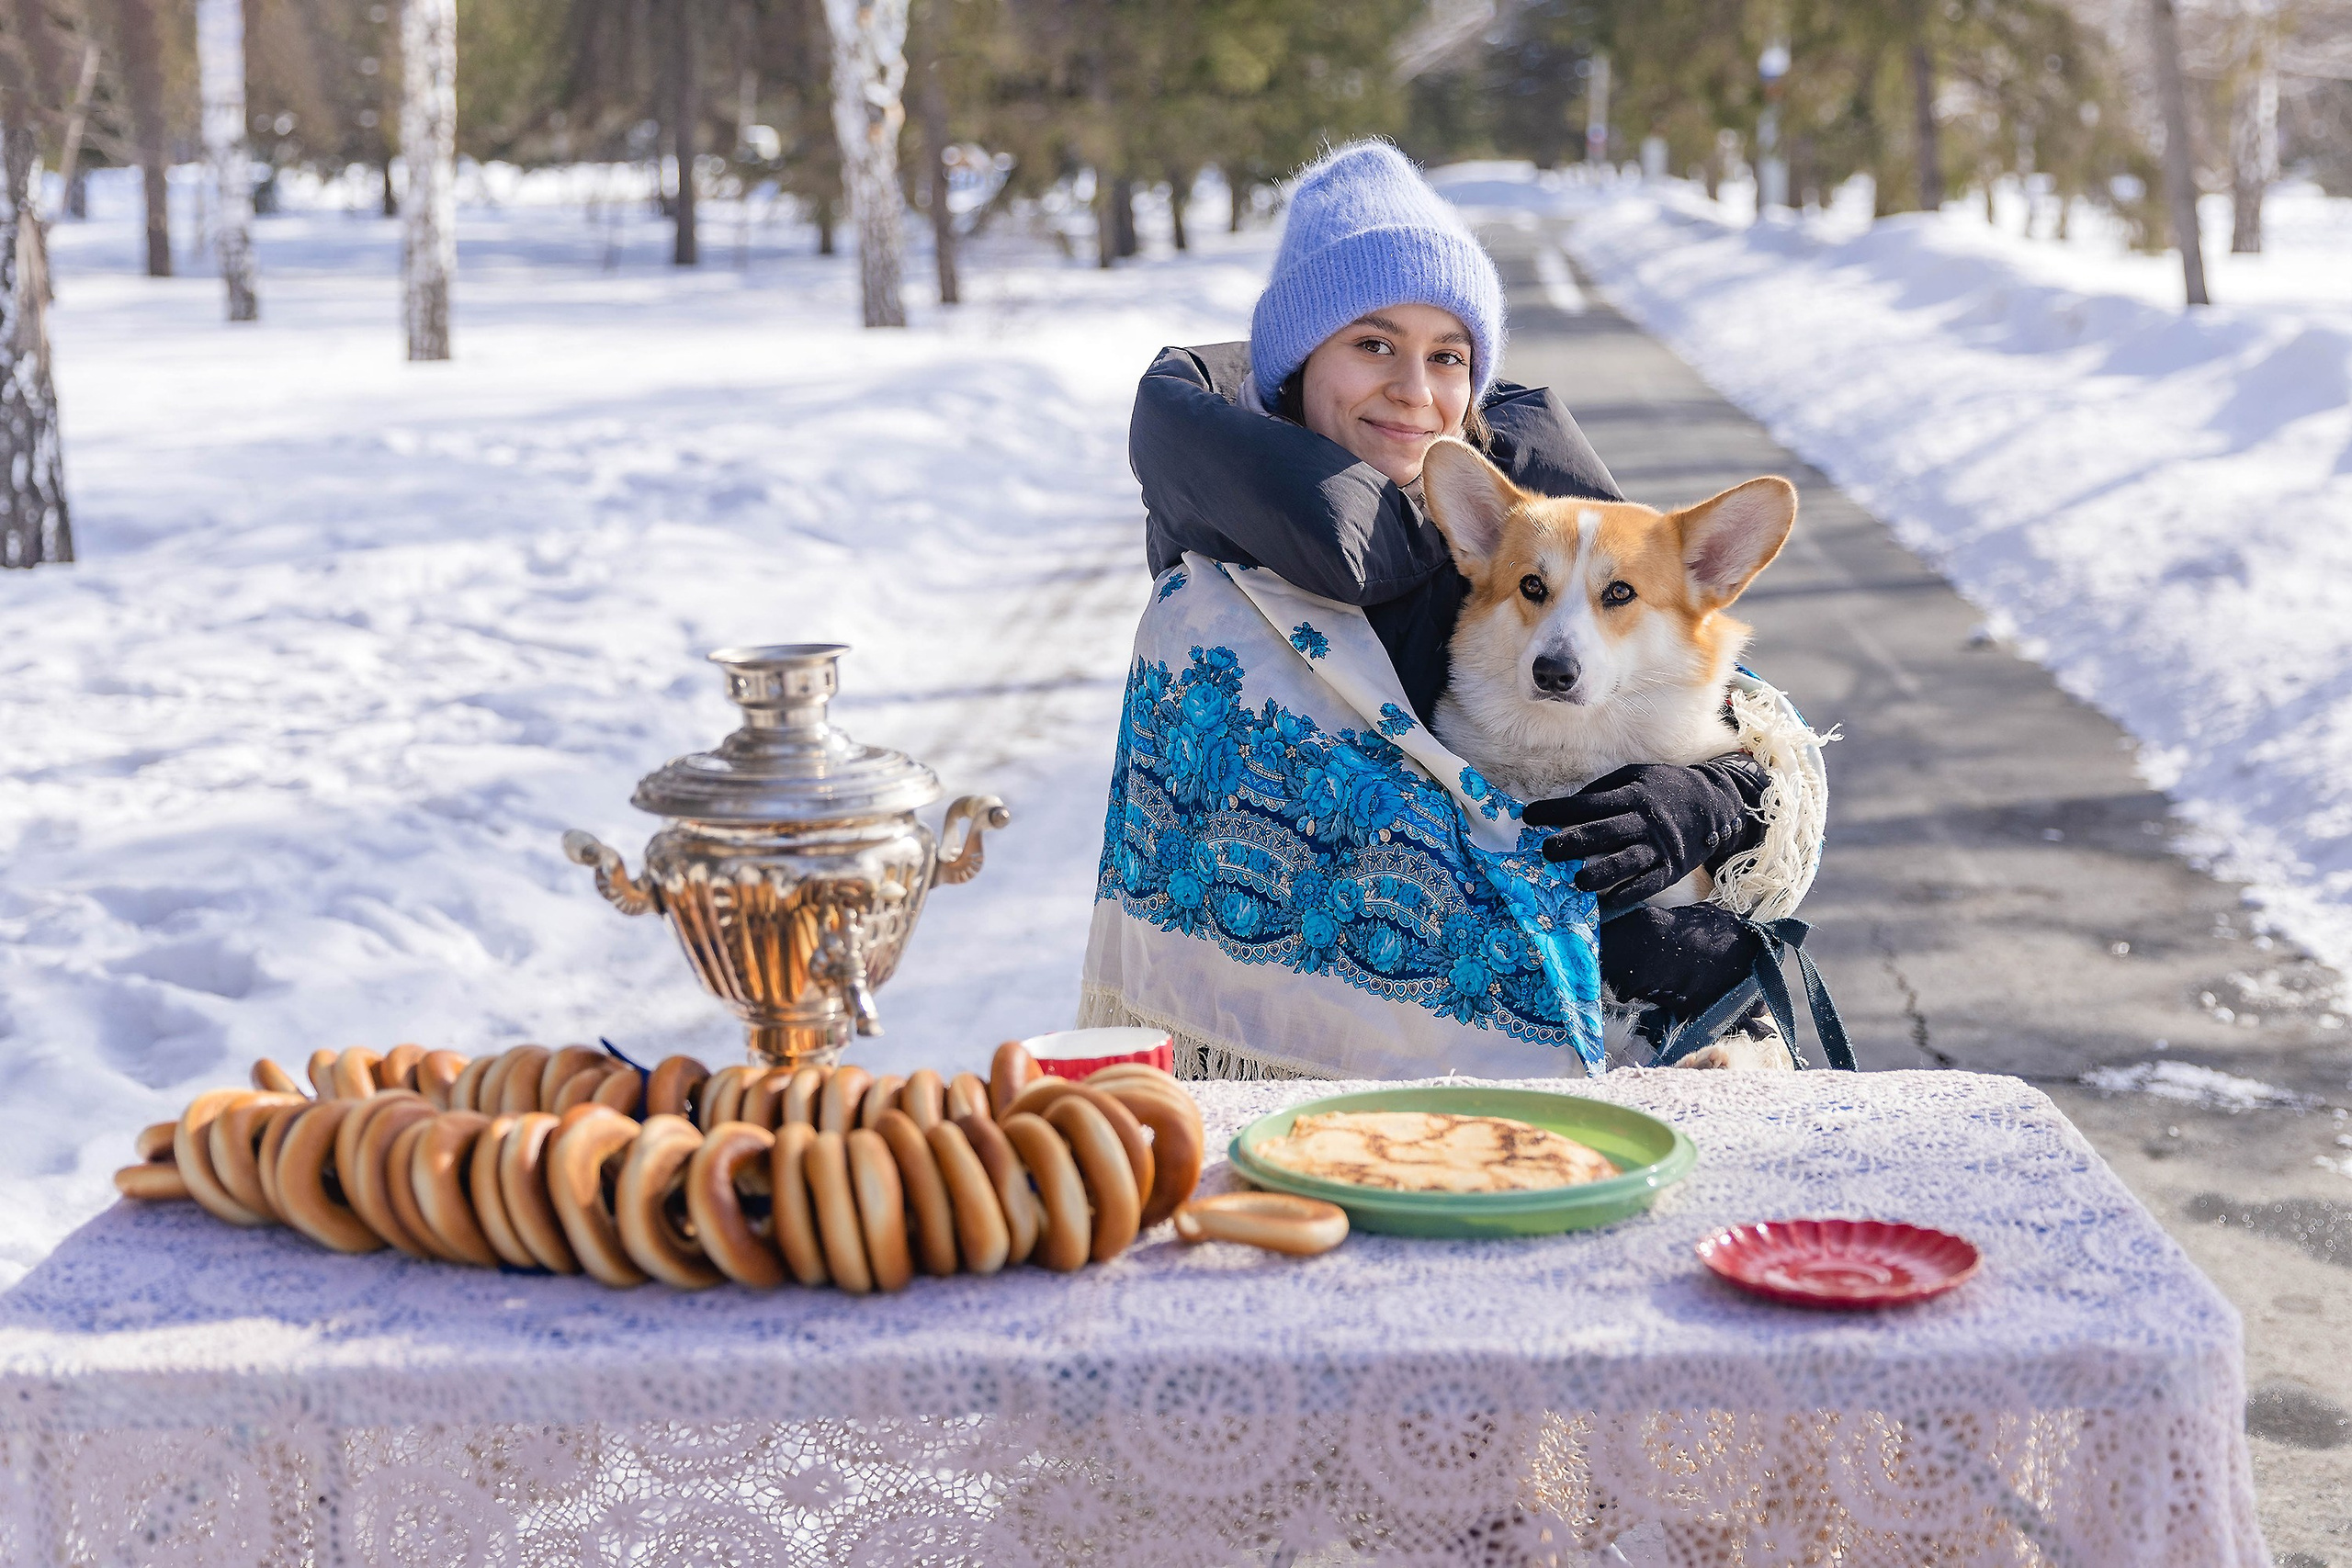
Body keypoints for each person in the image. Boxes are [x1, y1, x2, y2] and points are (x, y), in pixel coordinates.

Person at [1100, 141, 1826, 1072]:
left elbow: (1748, 723)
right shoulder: (1211, 596)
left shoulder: (1534, 514)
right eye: (1373, 344)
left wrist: (1713, 800)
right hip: (1313, 1077)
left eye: (1446, 355)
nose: (1415, 390)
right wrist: (1576, 937)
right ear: (1295, 362)